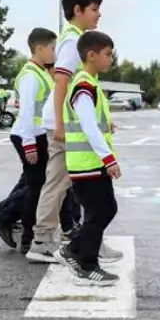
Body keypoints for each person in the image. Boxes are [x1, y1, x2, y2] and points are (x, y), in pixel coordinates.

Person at [30, 0, 121, 264]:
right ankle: (42, 241)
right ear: (78, 11)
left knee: (79, 187)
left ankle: (88, 240)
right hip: (63, 124)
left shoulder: (78, 38)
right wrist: (59, 124)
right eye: (94, 9)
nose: (98, 14)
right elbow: (61, 82)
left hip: (68, 121)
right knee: (58, 183)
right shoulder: (72, 42)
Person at [57, 30, 122, 285]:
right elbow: (88, 126)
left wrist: (109, 127)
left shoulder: (91, 83)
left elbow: (94, 122)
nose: (111, 59)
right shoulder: (83, 86)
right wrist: (109, 159)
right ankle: (87, 264)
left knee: (107, 209)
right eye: (107, 54)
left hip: (93, 163)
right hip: (87, 164)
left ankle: (74, 249)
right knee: (97, 213)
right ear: (91, 55)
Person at [0, 28, 57, 256]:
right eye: (51, 48)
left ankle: (4, 218)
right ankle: (23, 234)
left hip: (37, 134)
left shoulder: (41, 72)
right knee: (36, 187)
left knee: (33, 184)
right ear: (39, 49)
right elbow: (28, 111)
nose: (54, 53)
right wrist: (29, 144)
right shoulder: (31, 75)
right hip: (29, 134)